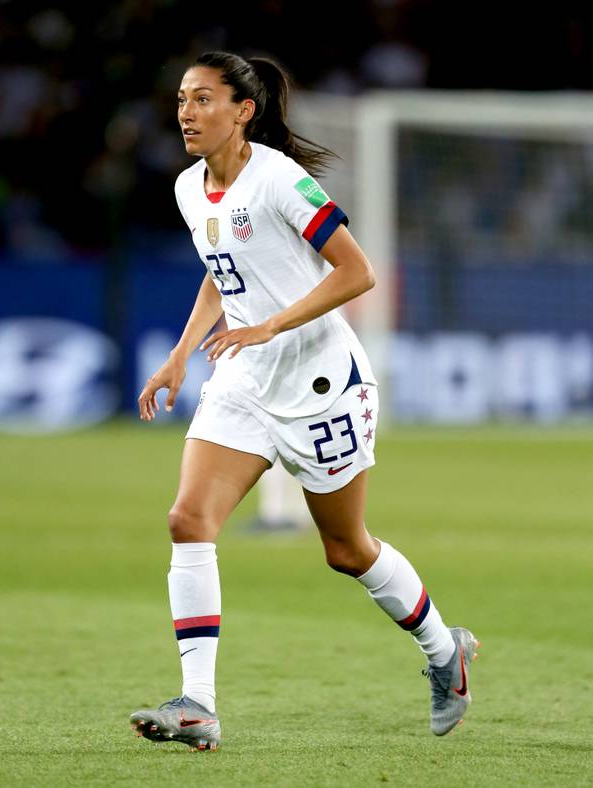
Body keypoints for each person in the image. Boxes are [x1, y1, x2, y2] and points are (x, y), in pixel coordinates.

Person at [130, 51, 479, 751]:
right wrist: (178, 354)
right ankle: (198, 704)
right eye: (181, 100)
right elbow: (219, 271)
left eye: (203, 100)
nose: (186, 114)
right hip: (244, 378)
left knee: (346, 549)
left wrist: (270, 324)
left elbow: (358, 271)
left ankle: (447, 652)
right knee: (187, 519)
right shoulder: (189, 188)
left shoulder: (281, 180)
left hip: (322, 383)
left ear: (243, 111)